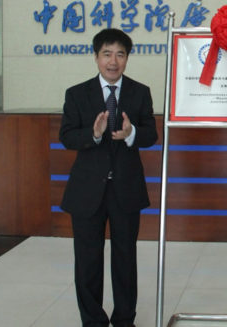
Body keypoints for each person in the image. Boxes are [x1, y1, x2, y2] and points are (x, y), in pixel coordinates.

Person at [60, 28, 158, 327]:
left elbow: (151, 135)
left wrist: (131, 134)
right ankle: (93, 321)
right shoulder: (77, 93)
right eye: (106, 54)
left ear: (127, 58)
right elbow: (66, 137)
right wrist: (93, 133)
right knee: (88, 261)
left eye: (119, 54)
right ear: (96, 57)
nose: (113, 61)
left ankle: (125, 319)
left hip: (126, 188)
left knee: (125, 259)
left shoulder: (140, 92)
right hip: (87, 190)